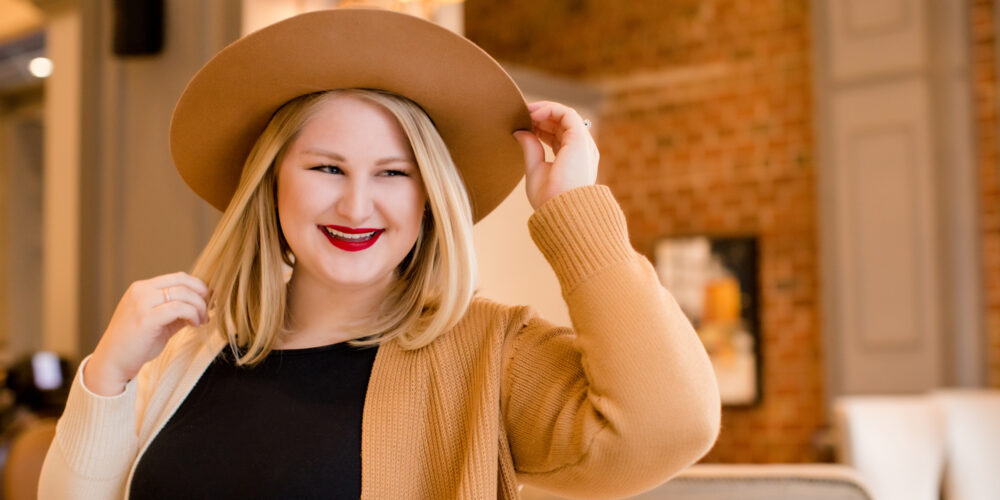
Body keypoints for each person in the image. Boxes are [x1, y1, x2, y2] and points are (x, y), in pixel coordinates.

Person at [38, 8, 720, 499]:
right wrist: (109, 375)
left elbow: (670, 427)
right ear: (270, 185)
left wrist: (574, 210)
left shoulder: (489, 355)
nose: (357, 206)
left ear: (428, 201)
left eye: (393, 174)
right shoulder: (189, 356)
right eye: (326, 169)